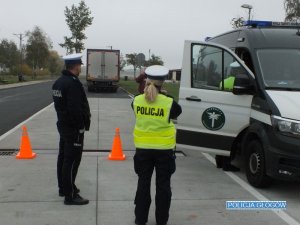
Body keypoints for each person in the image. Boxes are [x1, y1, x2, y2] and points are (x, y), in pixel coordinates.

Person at [132, 65, 182, 225]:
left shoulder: (136, 100)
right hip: (164, 151)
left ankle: (140, 219)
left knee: (143, 184)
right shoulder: (169, 103)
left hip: (143, 150)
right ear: (163, 82)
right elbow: (177, 112)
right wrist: (166, 96)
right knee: (163, 186)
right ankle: (161, 220)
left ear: (147, 80)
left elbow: (140, 106)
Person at [52, 53, 91, 205]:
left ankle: (64, 187)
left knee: (63, 158)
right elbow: (75, 109)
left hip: (63, 126)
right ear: (75, 66)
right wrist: (80, 127)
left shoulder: (58, 82)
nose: (80, 67)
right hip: (73, 129)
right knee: (72, 161)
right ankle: (70, 195)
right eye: (80, 65)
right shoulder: (73, 83)